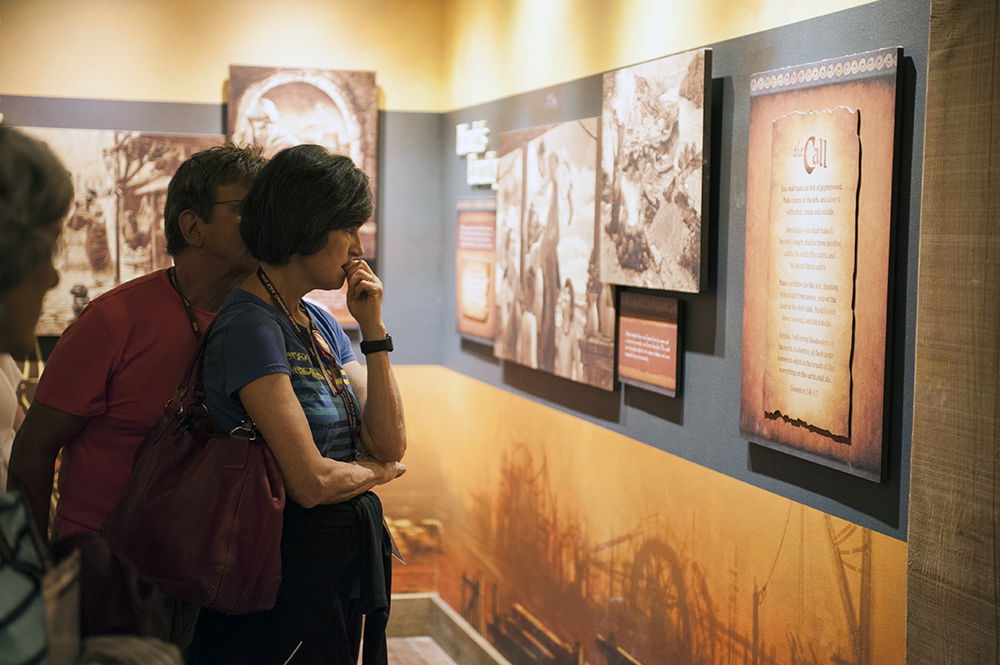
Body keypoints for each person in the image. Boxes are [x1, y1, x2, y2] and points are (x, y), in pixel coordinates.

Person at [9, 143, 268, 648]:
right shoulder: (113, 321)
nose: (265, 223)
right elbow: (34, 451)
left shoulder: (268, 320)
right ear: (192, 228)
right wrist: (34, 573)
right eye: (246, 210)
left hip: (217, 569)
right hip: (113, 573)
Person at [186, 144, 406, 665]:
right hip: (276, 572)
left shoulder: (318, 319)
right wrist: (377, 473)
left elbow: (391, 440)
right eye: (347, 227)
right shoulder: (250, 325)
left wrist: (373, 329)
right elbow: (309, 483)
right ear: (307, 224)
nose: (357, 245)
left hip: (326, 566)